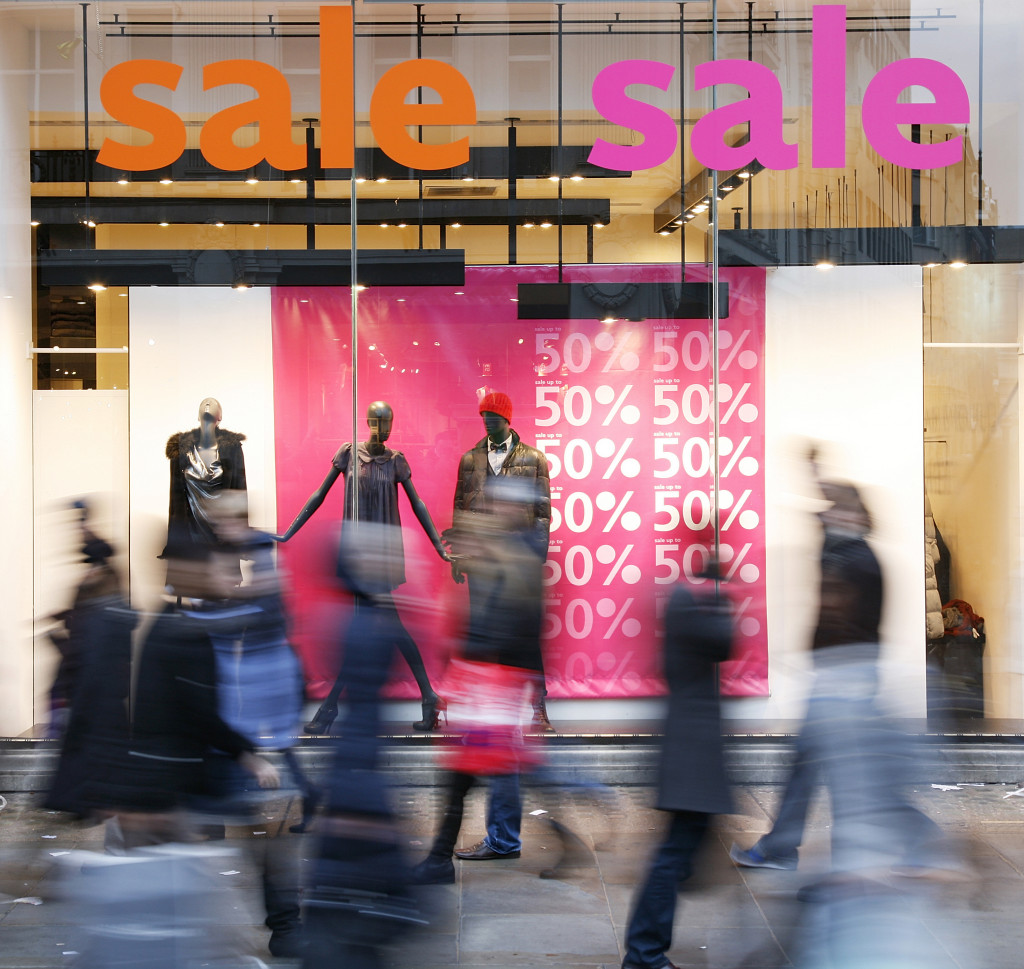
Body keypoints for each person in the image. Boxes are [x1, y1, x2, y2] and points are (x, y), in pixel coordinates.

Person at [730, 470, 949, 885]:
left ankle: (901, 845)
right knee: (809, 767)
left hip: (850, 679)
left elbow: (843, 613)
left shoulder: (860, 561)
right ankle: (783, 848)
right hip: (833, 678)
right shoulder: (844, 552)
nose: (825, 516)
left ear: (851, 515)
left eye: (834, 509)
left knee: (851, 774)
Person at [276, 400, 451, 733]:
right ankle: (427, 696)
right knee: (380, 629)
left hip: (381, 557)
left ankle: (330, 709)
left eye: (388, 422)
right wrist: (289, 531)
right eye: (378, 421)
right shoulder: (348, 454)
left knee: (367, 631)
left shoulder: (397, 461)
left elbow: (418, 504)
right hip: (355, 557)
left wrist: (439, 546)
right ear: (369, 422)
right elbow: (319, 494)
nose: (383, 428)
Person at [445, 391, 551, 863]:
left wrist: (534, 559)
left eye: (494, 417)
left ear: (508, 419)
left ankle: (540, 709)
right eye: (484, 416)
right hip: (483, 567)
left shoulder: (533, 459)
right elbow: (459, 506)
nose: (488, 423)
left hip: (515, 572)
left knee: (505, 741)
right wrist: (459, 555)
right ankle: (505, 830)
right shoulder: (470, 459)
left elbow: (544, 515)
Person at [621, 565, 734, 969]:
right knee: (675, 853)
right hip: (693, 742)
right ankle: (644, 951)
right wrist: (722, 596)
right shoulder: (692, 599)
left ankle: (645, 947)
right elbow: (725, 644)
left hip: (691, 738)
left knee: (682, 848)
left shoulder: (684, 597)